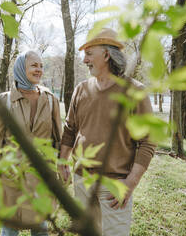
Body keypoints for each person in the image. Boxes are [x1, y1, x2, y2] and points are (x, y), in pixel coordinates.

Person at [58, 28, 156, 236]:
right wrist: (63, 161)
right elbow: (70, 129)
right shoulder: (81, 89)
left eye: (89, 54)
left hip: (114, 185)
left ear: (106, 54)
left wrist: (131, 182)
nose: (84, 60)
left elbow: (147, 142)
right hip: (82, 180)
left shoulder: (135, 92)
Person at [0, 50, 62, 236]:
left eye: (41, 66)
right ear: (21, 68)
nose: (39, 70)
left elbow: (58, 141)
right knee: (10, 230)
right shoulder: (4, 101)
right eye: (34, 65)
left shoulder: (51, 100)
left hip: (41, 181)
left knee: (41, 228)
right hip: (11, 181)